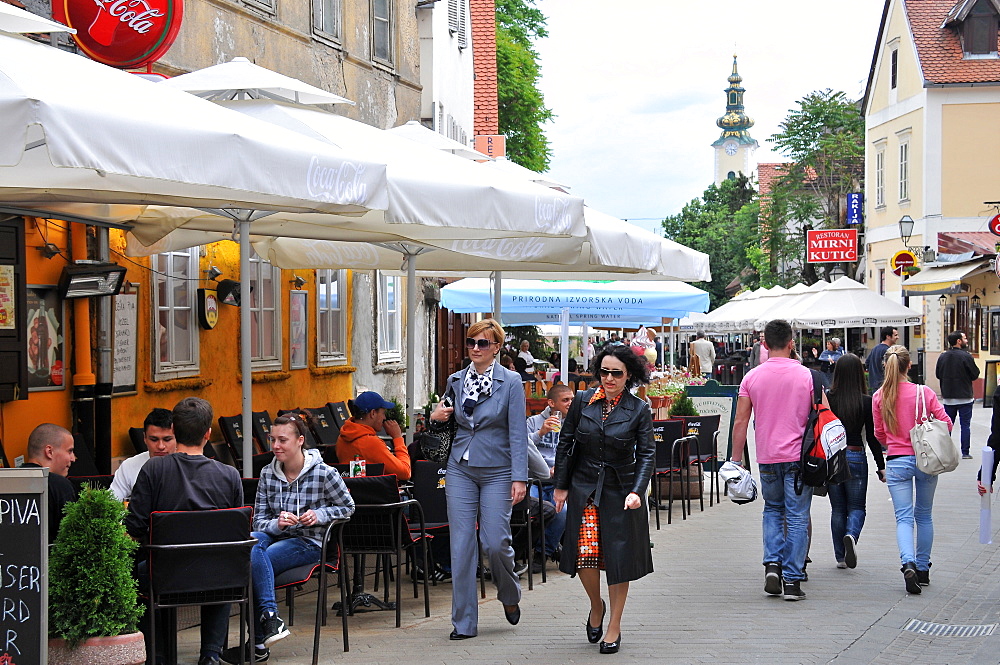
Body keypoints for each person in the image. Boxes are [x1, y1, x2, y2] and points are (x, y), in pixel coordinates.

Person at [223, 410, 355, 664]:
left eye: (282, 440)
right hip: (276, 537)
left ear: (299, 440)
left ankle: (259, 641)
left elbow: (348, 507)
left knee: (253, 561)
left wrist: (318, 514)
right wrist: (278, 523)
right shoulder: (267, 474)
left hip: (311, 543)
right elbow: (259, 520)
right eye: (273, 439)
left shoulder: (324, 473)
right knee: (252, 540)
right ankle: (269, 620)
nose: (275, 446)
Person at [552, 344, 655, 654]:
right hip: (584, 487)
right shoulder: (582, 401)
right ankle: (596, 605)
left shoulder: (638, 409)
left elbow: (648, 454)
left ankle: (614, 625)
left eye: (617, 373)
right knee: (585, 554)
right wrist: (561, 485)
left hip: (622, 490)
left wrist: (637, 490)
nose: (609, 378)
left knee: (618, 558)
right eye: (604, 372)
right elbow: (566, 443)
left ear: (629, 376)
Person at [430, 318, 528, 641]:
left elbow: (518, 433)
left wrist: (519, 478)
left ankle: (509, 594)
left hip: (498, 470)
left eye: (482, 343)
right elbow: (444, 420)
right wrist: (435, 416)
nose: (474, 349)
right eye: (471, 343)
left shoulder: (511, 382)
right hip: (460, 467)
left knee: (495, 542)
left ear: (496, 348)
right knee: (461, 545)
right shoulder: (456, 380)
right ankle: (464, 623)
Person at [126, 397, 243, 665]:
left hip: (165, 575)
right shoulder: (229, 475)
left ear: (174, 432)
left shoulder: (154, 469)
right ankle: (211, 653)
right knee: (220, 562)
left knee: (137, 571)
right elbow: (235, 530)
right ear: (208, 434)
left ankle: (158, 654)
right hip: (217, 577)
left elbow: (134, 525)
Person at [731, 319, 818, 601]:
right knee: (796, 516)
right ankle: (792, 580)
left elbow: (741, 421)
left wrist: (736, 460)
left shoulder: (751, 378)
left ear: (764, 345)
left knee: (772, 510)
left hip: (767, 458)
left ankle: (772, 565)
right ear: (791, 343)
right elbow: (823, 417)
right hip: (799, 458)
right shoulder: (807, 376)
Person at [873, 345, 952, 594]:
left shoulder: (879, 396)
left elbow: (879, 435)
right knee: (924, 515)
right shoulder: (924, 393)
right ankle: (922, 568)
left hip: (896, 461)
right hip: (925, 459)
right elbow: (946, 424)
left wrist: (895, 440)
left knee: (903, 518)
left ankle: (907, 562)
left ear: (887, 366)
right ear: (909, 366)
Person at [826, 353, 886, 570]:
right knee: (857, 507)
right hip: (856, 455)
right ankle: (851, 535)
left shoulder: (828, 398)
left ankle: (840, 557)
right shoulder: (866, 401)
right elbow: (872, 437)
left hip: (833, 457)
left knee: (838, 509)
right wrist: (881, 466)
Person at [526, 384, 574, 561]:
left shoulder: (573, 423)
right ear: (551, 403)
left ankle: (543, 552)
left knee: (563, 511)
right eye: (565, 400)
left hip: (558, 482)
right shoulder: (533, 422)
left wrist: (562, 468)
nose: (570, 403)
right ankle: (525, 550)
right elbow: (520, 445)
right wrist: (541, 432)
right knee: (528, 511)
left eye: (572, 400)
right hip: (534, 480)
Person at [336, 390, 411, 480]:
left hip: (351, 491)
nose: (384, 418)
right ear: (373, 413)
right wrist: (398, 438)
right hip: (374, 492)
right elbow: (405, 472)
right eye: (383, 413)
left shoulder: (342, 438)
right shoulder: (371, 443)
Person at [21, 423, 76, 543]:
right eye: (70, 451)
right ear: (49, 451)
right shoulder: (60, 486)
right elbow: (72, 539)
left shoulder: (7, 482)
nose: (73, 458)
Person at [111, 408, 176, 501]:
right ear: (145, 438)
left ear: (177, 438)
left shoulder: (190, 465)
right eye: (154, 439)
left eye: (167, 439)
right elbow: (112, 503)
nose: (161, 446)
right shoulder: (129, 466)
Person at [935, 331, 979, 459]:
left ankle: (944, 452)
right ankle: (965, 452)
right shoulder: (966, 356)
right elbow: (975, 374)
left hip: (948, 397)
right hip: (965, 396)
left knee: (947, 425)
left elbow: (938, 374)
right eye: (964, 338)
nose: (967, 340)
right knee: (965, 425)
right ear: (958, 341)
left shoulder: (943, 357)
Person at [866, 326, 898, 393]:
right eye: (895, 335)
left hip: (875, 385)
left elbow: (867, 363)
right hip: (885, 385)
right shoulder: (888, 350)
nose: (897, 337)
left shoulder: (875, 348)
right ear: (888, 336)